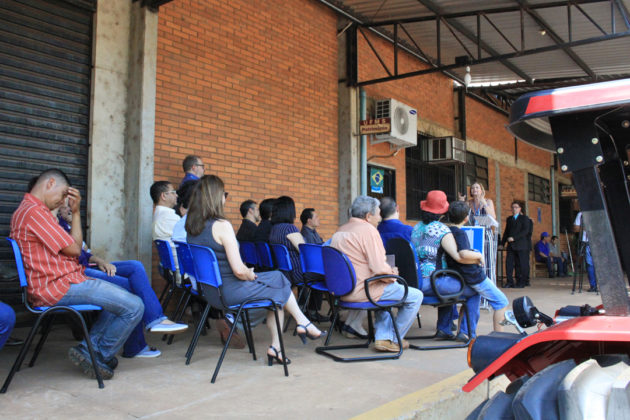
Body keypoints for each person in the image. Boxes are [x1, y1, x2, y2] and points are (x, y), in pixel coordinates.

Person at [10, 169, 144, 379]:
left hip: (64, 280)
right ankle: (97, 353)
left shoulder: (34, 210)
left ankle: (91, 350)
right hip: (55, 286)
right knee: (134, 306)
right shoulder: (34, 212)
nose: (63, 201)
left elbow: (73, 249)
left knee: (121, 298)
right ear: (50, 183)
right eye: (63, 194)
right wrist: (76, 212)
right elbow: (74, 249)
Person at [185, 175, 325, 364]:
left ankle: (278, 346)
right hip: (231, 291)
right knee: (280, 279)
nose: (225, 198)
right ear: (215, 197)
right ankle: (302, 323)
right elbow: (239, 271)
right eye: (224, 194)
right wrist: (250, 273)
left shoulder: (192, 228)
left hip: (211, 293)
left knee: (277, 292)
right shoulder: (222, 225)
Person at [55, 204, 188, 359]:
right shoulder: (54, 224)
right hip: (78, 272)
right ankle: (134, 346)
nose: (68, 207)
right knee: (131, 288)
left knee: (135, 266)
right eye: (64, 204)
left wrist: (100, 261)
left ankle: (155, 319)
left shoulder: (64, 223)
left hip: (89, 265)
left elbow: (85, 251)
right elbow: (75, 252)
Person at [331, 196, 423, 352]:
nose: (380, 218)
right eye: (378, 213)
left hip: (341, 292)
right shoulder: (369, 231)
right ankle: (393, 338)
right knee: (415, 296)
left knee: (386, 286)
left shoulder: (340, 230)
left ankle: (383, 337)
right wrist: (393, 274)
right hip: (363, 290)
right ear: (368, 216)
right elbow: (379, 268)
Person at [410, 190, 481, 342]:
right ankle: (465, 332)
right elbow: (459, 256)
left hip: (415, 282)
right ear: (444, 210)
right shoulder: (442, 229)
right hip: (432, 283)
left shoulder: (416, 228)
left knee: (449, 282)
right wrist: (477, 257)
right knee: (474, 291)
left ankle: (444, 329)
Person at [446, 201, 508, 332]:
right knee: (501, 302)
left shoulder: (447, 232)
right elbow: (463, 253)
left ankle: (463, 332)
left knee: (472, 296)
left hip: (460, 276)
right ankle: (499, 337)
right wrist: (479, 255)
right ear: (466, 218)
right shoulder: (460, 233)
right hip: (474, 276)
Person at [269, 196, 304, 287]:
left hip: (284, 272)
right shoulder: (290, 228)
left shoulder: (274, 229)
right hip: (298, 273)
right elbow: (304, 251)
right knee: (328, 272)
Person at [500, 201, 530, 288]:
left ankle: (521, 282)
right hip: (511, 245)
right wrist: (502, 243)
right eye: (513, 207)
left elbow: (525, 231)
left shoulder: (524, 218)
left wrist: (514, 238)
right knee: (509, 263)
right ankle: (509, 282)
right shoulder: (509, 219)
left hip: (521, 245)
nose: (514, 209)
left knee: (520, 264)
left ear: (520, 209)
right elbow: (506, 232)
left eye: (516, 207)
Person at [574, 212, 597, 292]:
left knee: (600, 264)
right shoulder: (581, 214)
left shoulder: (599, 212)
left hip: (599, 241)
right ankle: (593, 286)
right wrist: (586, 227)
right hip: (586, 242)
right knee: (590, 264)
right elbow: (576, 228)